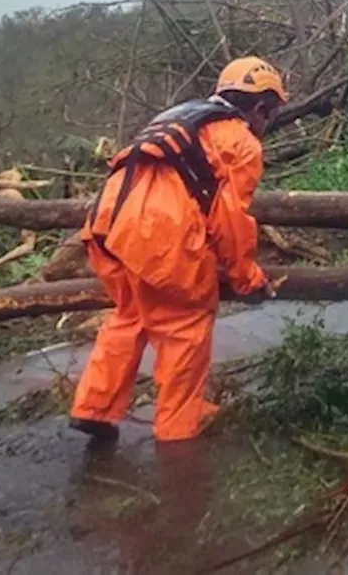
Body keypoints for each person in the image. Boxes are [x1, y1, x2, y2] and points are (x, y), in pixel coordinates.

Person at [69, 57, 286, 443]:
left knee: (130, 316)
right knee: (184, 325)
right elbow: (230, 220)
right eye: (268, 114)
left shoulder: (178, 118)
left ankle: (94, 408)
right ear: (260, 108)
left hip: (105, 227)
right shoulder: (241, 141)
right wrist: (246, 277)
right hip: (156, 236)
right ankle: (178, 432)